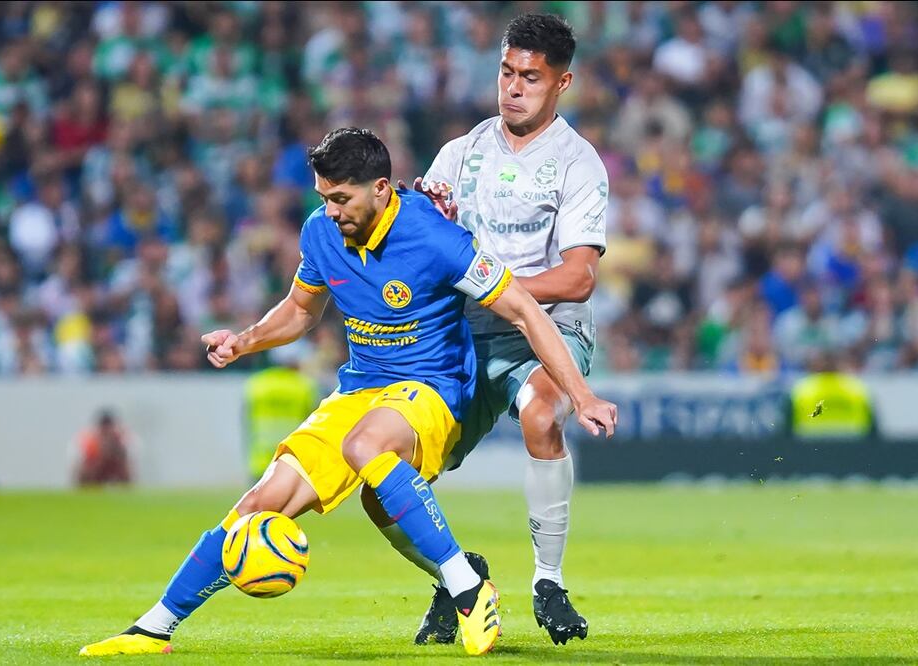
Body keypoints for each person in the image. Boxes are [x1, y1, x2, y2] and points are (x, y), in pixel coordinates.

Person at [79, 127, 616, 657]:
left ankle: (468, 591)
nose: (331, 211)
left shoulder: (436, 238)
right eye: (324, 197)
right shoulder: (319, 232)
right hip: (360, 388)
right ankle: (152, 628)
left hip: (430, 387)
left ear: (381, 189)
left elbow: (523, 309)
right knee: (259, 506)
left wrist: (582, 394)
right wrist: (244, 341)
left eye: (342, 198)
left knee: (366, 448)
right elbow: (299, 310)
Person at [381, 13, 610, 646]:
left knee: (542, 414)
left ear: (562, 82)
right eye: (507, 72)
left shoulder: (577, 164)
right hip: (460, 339)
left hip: (545, 331)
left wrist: (495, 287)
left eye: (530, 78)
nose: (512, 88)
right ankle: (457, 578)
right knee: (397, 466)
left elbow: (577, 280)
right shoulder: (461, 153)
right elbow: (420, 242)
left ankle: (548, 582)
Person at [242, 347, 320, 483]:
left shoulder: (257, 383)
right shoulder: (305, 386)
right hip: (293, 458)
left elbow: (247, 418)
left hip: (261, 458)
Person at [74, 409, 134, 486]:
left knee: (125, 468)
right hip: (95, 472)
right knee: (85, 470)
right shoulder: (90, 440)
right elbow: (82, 468)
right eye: (104, 427)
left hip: (115, 469)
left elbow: (128, 463)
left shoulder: (122, 439)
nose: (106, 430)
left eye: (109, 426)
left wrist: (115, 450)